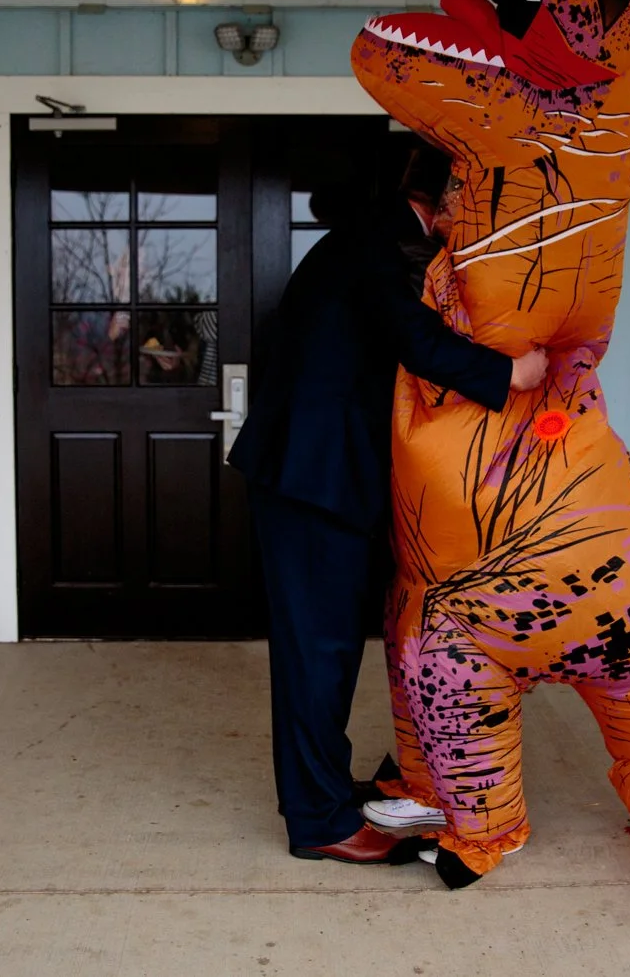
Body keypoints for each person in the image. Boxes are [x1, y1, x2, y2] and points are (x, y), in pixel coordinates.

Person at [228, 148, 548, 864]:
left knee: (325, 651)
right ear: (449, 196)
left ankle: (322, 794)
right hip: (314, 480)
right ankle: (322, 823)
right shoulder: (378, 243)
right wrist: (511, 372)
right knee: (319, 654)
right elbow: (414, 339)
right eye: (480, 202)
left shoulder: (372, 241)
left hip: (315, 476)